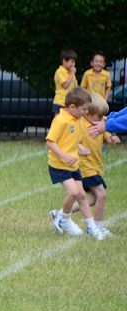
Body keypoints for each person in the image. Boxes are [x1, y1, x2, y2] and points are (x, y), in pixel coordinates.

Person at [46, 87, 101, 239]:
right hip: (59, 165)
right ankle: (65, 219)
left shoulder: (76, 119)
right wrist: (64, 156)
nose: (86, 112)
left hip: (72, 165)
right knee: (74, 193)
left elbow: (70, 140)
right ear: (72, 107)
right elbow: (51, 142)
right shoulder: (61, 120)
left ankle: (91, 227)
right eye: (84, 109)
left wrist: (80, 147)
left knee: (82, 195)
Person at [77, 94, 119, 238]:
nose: (102, 120)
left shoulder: (100, 125)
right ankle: (98, 227)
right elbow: (70, 140)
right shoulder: (80, 124)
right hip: (85, 167)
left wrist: (112, 139)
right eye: (98, 117)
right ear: (87, 113)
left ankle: (61, 214)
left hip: (96, 167)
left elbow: (107, 138)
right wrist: (79, 147)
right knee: (102, 195)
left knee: (92, 200)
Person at [53, 50, 78, 114]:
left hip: (70, 102)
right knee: (59, 121)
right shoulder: (60, 71)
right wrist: (72, 74)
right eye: (71, 62)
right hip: (60, 101)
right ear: (64, 61)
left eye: (74, 62)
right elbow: (65, 85)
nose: (73, 65)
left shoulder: (71, 72)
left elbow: (75, 86)